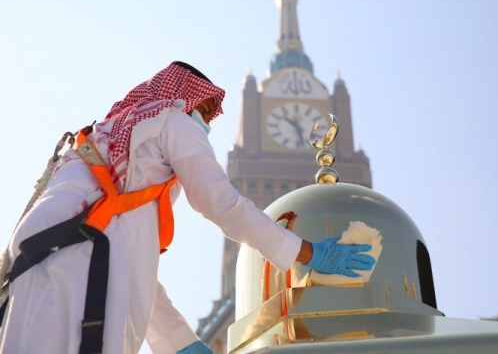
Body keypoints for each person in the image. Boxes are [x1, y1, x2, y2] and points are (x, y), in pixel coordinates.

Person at [0, 61, 374, 354]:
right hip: (80, 263)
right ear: (184, 97)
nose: (207, 122)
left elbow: (131, 263)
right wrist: (306, 253)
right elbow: (222, 205)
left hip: (36, 257)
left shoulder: (107, 145)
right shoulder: (171, 119)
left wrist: (179, 342)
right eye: (206, 111)